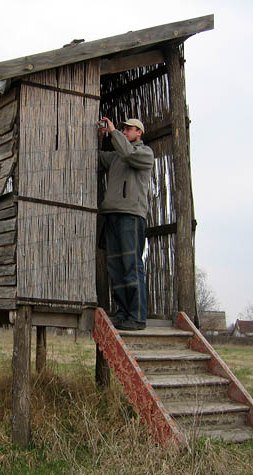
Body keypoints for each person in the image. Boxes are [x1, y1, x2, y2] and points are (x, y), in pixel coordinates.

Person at [98, 117, 154, 331]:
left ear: (139, 133)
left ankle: (138, 316)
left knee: (131, 265)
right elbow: (96, 158)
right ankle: (122, 313)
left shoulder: (144, 154)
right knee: (115, 267)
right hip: (112, 214)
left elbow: (128, 154)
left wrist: (113, 133)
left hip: (131, 215)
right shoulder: (116, 156)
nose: (124, 131)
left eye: (128, 129)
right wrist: (99, 137)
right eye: (123, 129)